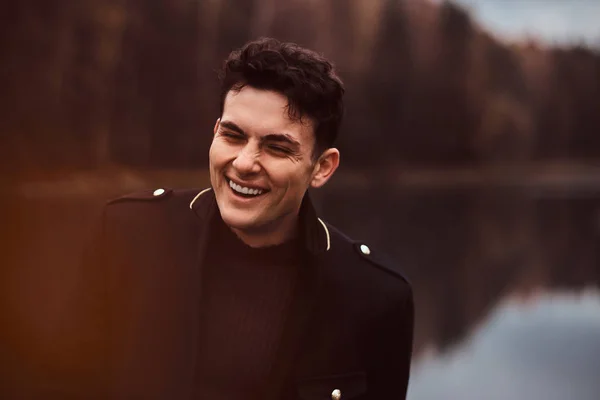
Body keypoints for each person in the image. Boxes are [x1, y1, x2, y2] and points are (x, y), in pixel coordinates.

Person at [72, 37, 413, 400]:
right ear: (215, 131)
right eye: (233, 135)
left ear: (322, 167)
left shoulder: (376, 297)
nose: (245, 163)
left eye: (277, 147)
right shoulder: (128, 234)